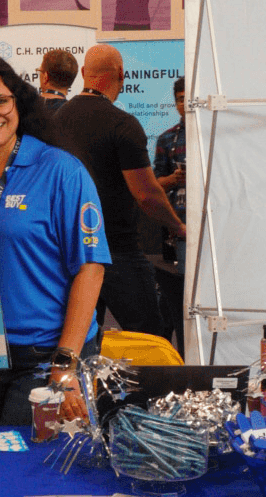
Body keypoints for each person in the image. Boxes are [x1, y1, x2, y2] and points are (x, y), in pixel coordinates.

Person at [0, 52, 110, 427]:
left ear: (18, 102)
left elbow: (91, 269)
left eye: (0, 101)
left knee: (23, 456)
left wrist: (65, 363)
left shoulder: (60, 170)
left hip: (48, 354)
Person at [49, 45, 185, 338]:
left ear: (83, 73)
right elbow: (146, 195)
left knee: (82, 339)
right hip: (116, 251)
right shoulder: (123, 125)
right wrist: (178, 226)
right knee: (150, 338)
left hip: (70, 251)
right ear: (121, 74)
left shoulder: (56, 122)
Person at [153, 76, 187, 355]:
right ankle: (164, 355)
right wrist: (175, 179)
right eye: (179, 99)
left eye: (188, 98)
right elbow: (155, 185)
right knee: (172, 295)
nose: (184, 104)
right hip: (175, 227)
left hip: (210, 226)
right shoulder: (167, 138)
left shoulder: (213, 135)